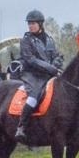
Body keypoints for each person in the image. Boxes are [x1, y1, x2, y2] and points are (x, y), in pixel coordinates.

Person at [14, 10, 63, 140]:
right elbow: (31, 60)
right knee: (34, 96)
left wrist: (56, 64)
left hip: (48, 72)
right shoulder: (26, 41)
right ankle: (21, 126)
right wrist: (51, 68)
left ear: (40, 24)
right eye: (29, 23)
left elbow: (56, 56)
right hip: (32, 74)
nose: (30, 26)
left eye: (33, 23)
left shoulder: (49, 39)